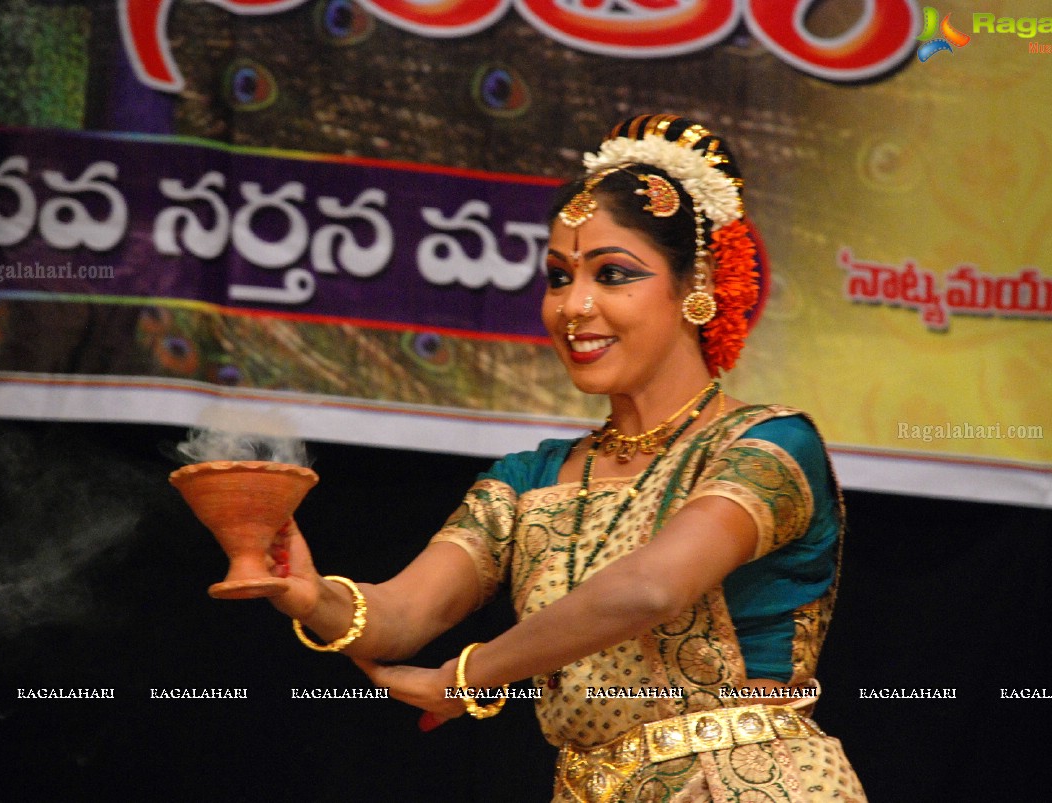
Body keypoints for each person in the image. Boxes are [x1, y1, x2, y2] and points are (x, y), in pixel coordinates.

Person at [260, 114, 866, 802]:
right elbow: (401, 615)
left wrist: (470, 674)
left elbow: (650, 588)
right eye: (557, 277)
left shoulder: (766, 446)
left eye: (613, 274)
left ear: (695, 282)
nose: (573, 306)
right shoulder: (528, 479)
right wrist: (310, 594)